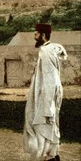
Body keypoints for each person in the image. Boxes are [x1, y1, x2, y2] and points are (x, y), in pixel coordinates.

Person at [23, 23, 67, 161]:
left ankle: (47, 156)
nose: (34, 37)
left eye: (36, 34)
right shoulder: (50, 49)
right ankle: (53, 153)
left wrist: (48, 107)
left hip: (45, 95)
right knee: (50, 124)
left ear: (43, 35)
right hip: (47, 94)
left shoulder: (46, 52)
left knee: (42, 123)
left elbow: (49, 79)